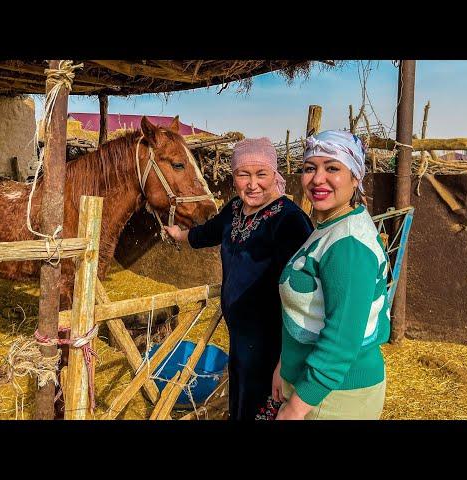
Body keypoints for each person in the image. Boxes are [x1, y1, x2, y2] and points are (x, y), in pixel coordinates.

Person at [164, 137, 313, 420]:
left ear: (274, 174)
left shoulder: (289, 221)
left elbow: (302, 297)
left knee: (264, 409)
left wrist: (285, 361)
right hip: (241, 339)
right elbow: (208, 232)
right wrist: (180, 235)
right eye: (243, 174)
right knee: (241, 405)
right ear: (233, 177)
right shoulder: (235, 210)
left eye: (261, 174)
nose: (252, 184)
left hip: (273, 345)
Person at [274, 130, 389, 420]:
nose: (317, 178)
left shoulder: (348, 245)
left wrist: (297, 406)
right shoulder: (331, 226)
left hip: (335, 397)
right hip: (316, 386)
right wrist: (285, 364)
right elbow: (312, 313)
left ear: (355, 177)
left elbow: (341, 342)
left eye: (332, 168)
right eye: (310, 168)